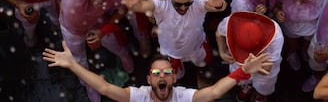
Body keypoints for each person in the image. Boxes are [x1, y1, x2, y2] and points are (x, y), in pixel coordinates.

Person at [42, 41, 272, 102]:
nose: (161, 76)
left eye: (166, 73)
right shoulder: (139, 96)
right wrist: (73, 65)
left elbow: (212, 93)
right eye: (156, 74)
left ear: (174, 77)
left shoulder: (182, 96)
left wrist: (243, 71)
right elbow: (103, 87)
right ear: (148, 79)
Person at [119, 0, 227, 80]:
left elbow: (218, 7)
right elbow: (142, 6)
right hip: (173, 53)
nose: (183, 7)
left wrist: (219, 4)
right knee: (178, 76)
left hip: (198, 47)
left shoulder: (197, 1)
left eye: (187, 3)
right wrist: (133, 5)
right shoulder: (161, 3)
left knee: (204, 66)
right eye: (178, 4)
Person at [59, 0, 133, 102]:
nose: (96, 3)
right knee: (79, 60)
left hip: (97, 24)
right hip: (72, 32)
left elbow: (123, 8)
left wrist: (104, 29)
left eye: (102, 0)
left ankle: (125, 58)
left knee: (115, 44)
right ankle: (88, 86)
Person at [215, 11, 284, 102]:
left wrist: (250, 67)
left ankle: (260, 95)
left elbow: (267, 70)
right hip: (239, 64)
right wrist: (222, 52)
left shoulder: (276, 36)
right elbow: (219, 33)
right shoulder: (230, 23)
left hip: (263, 66)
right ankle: (247, 85)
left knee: (264, 85)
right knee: (241, 79)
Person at [275, 0, 325, 71]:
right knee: (292, 44)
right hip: (291, 26)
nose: (298, 0)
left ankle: (305, 53)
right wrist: (277, 12)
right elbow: (277, 5)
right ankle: (292, 54)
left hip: (311, 27)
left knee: (308, 44)